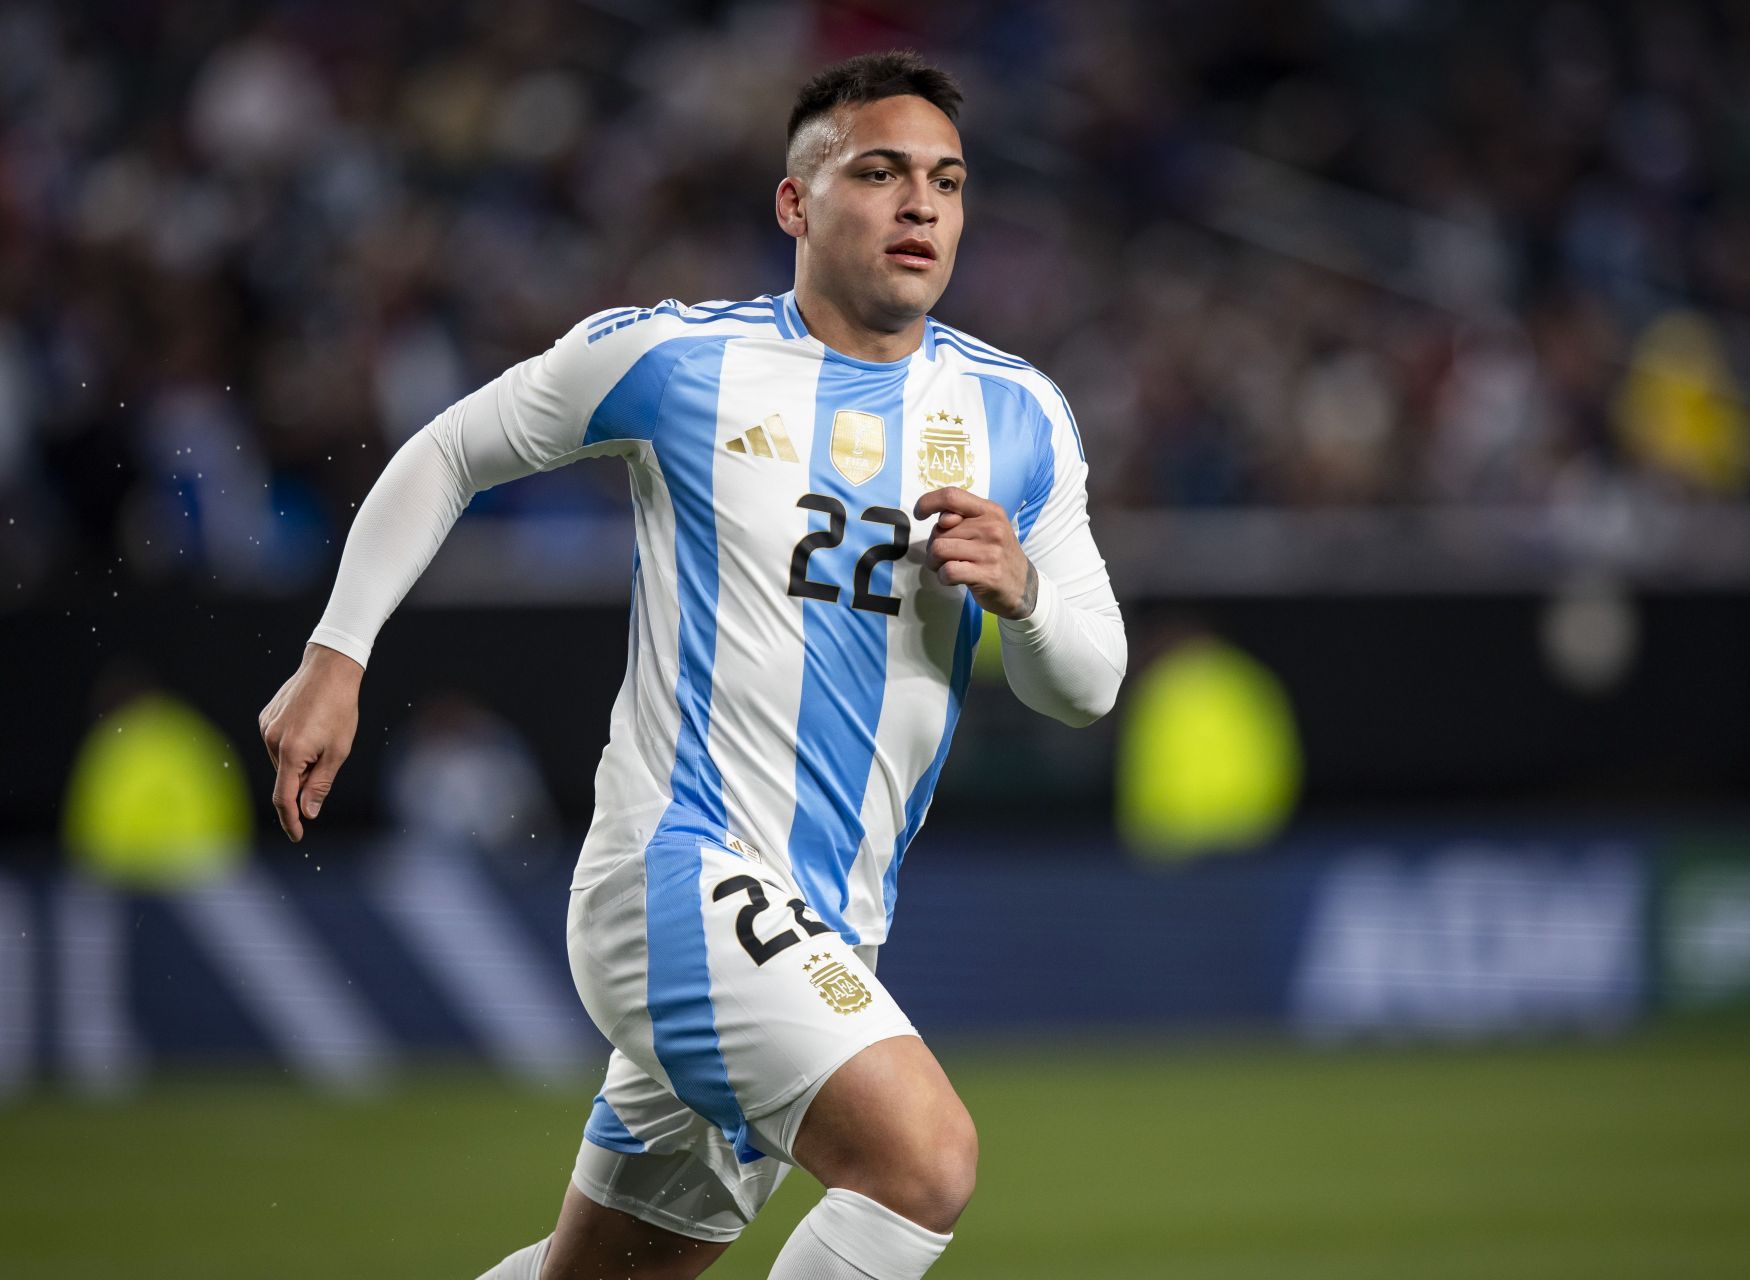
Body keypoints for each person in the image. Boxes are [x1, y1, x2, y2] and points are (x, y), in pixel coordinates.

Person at [257, 50, 1125, 1280]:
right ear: (796, 203)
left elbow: (1086, 683)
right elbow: (453, 447)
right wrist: (336, 654)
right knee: (925, 1160)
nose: (920, 204)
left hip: (829, 922)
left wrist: (1023, 594)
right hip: (677, 874)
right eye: (878, 173)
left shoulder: (1020, 414)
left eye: (946, 179)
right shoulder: (677, 363)